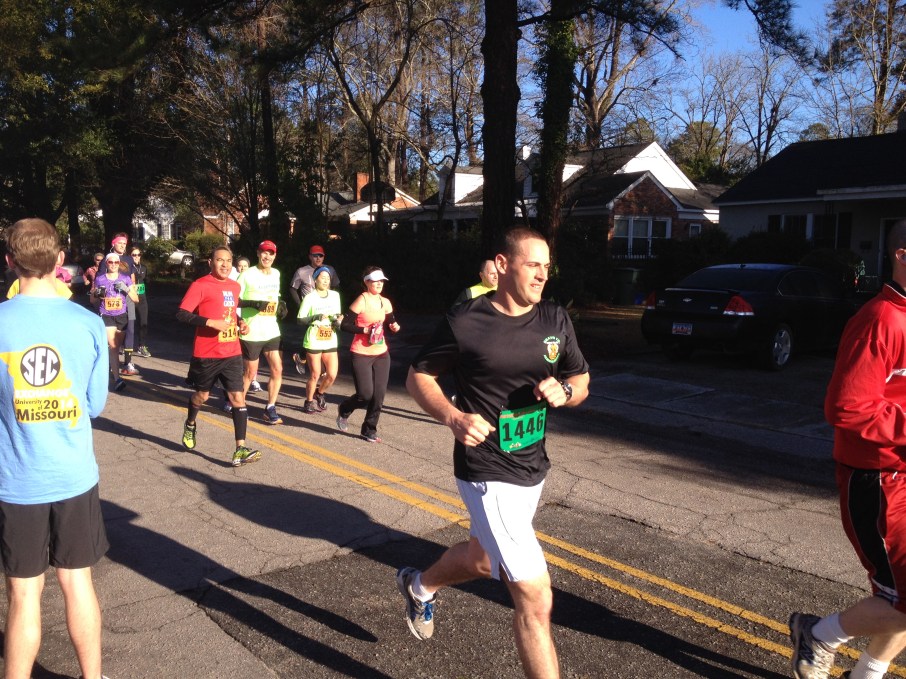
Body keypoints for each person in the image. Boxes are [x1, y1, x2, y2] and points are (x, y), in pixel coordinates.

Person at [399, 228, 590, 679]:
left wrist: (565, 391)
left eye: (547, 266)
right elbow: (418, 376)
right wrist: (453, 417)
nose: (542, 275)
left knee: (482, 561)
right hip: (486, 470)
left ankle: (419, 587)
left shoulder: (554, 318)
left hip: (532, 466)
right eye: (532, 264)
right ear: (503, 265)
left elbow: (581, 379)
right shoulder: (466, 321)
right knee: (536, 598)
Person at [789, 218, 906, 679]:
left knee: (900, 596)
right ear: (902, 256)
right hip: (879, 481)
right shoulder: (880, 320)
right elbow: (846, 408)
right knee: (902, 597)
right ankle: (819, 635)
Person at [0, 218, 111, 679]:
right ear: (60, 261)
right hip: (73, 476)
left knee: (23, 594)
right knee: (77, 581)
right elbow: (95, 405)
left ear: (10, 261)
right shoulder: (89, 323)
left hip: (15, 480)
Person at [176, 246, 261, 467]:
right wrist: (209, 322)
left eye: (228, 261)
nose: (225, 265)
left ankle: (240, 448)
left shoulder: (234, 286)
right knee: (202, 396)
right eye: (220, 260)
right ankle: (190, 423)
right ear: (211, 262)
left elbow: (230, 313)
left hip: (232, 352)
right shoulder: (200, 285)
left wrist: (240, 323)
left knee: (238, 398)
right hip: (207, 353)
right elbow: (182, 314)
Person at [336, 267, 400, 443]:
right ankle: (345, 409)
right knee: (365, 394)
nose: (379, 284)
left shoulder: (385, 302)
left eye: (381, 281)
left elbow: (391, 322)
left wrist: (394, 327)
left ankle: (369, 429)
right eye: (375, 281)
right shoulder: (361, 300)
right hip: (361, 353)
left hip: (381, 353)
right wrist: (364, 330)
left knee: (378, 396)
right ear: (367, 282)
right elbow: (345, 325)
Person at [237, 240, 286, 425]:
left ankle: (270, 407)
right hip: (252, 330)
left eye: (271, 253)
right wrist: (253, 304)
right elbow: (233, 299)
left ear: (275, 256)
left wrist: (281, 305)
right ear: (258, 253)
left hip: (271, 329)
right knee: (250, 373)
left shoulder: (276, 274)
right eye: (264, 252)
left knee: (277, 368)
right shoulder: (247, 275)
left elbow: (275, 296)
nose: (267, 256)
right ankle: (238, 405)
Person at [294, 266, 342, 414]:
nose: (326, 281)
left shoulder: (335, 296)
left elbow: (336, 316)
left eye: (328, 278)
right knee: (315, 374)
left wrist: (338, 321)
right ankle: (308, 402)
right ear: (315, 280)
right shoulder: (310, 297)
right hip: (314, 338)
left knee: (332, 374)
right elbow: (300, 320)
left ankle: (319, 393)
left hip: (330, 337)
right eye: (322, 278)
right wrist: (316, 317)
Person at [90, 253, 139, 391]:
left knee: (116, 347)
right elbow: (92, 300)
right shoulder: (100, 279)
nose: (113, 265)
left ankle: (109, 366)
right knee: (112, 345)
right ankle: (117, 379)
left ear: (119, 264)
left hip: (121, 316)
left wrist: (126, 288)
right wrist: (96, 294)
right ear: (106, 263)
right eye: (110, 262)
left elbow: (136, 299)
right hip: (106, 314)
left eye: (116, 262)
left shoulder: (125, 278)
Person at [109, 234, 139, 376]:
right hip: (113, 299)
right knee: (114, 331)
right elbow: (101, 278)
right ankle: (111, 362)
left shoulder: (128, 259)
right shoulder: (108, 258)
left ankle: (128, 362)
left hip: (128, 298)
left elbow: (132, 277)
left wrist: (133, 291)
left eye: (124, 243)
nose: (122, 245)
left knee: (130, 329)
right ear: (113, 243)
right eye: (119, 243)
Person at [130, 247, 152, 357]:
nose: (136, 257)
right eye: (134, 255)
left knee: (144, 323)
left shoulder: (143, 267)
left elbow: (145, 280)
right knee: (130, 323)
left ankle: (142, 346)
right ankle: (125, 345)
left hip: (142, 299)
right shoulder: (128, 268)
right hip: (130, 299)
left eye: (138, 255)